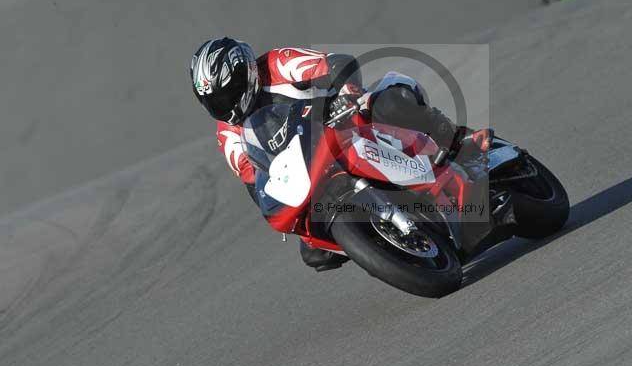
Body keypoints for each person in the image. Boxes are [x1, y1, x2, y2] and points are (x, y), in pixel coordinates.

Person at [190, 37, 491, 271]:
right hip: (311, 169)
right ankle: (392, 243)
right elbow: (254, 181)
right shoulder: (227, 132)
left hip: (346, 121)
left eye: (228, 93)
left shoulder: (276, 64)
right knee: (314, 250)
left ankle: (461, 143)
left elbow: (333, 64)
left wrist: (345, 90)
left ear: (246, 71)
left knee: (390, 105)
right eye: (214, 100)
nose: (225, 104)